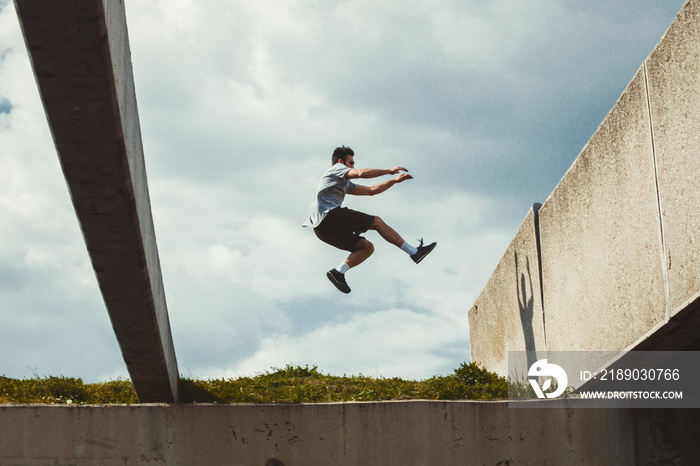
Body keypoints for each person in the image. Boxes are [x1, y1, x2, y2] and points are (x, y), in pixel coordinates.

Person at [303, 146, 437, 293]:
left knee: (366, 247)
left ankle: (338, 272)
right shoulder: (336, 169)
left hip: (323, 231)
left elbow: (371, 190)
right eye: (351, 163)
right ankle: (413, 252)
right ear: (341, 161)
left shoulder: (344, 183)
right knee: (377, 222)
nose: (353, 166)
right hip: (329, 217)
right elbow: (360, 173)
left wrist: (393, 181)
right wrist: (388, 170)